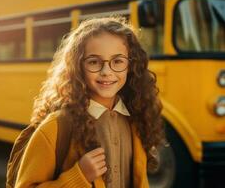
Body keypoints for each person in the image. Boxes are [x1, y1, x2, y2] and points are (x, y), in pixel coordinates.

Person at [15, 17, 164, 188]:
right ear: (78, 67)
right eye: (94, 62)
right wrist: (80, 176)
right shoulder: (56, 127)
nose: (106, 71)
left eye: (117, 61)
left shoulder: (137, 118)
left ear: (131, 65)